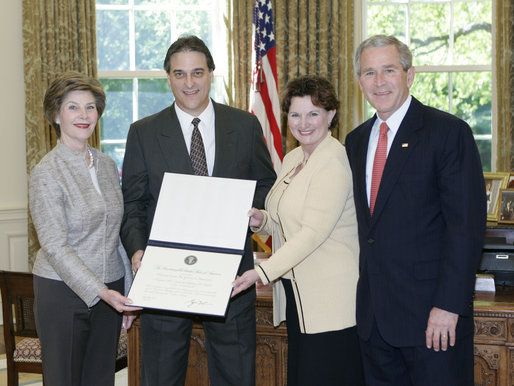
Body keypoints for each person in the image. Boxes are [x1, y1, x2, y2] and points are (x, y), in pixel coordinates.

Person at [120, 35, 276, 385]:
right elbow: (133, 203)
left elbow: (267, 184)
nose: (189, 83)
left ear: (211, 74)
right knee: (160, 375)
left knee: (236, 374)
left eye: (197, 72)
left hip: (230, 274)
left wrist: (253, 212)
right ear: (169, 77)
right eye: (179, 74)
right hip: (164, 273)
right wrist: (137, 250)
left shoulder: (245, 126)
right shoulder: (143, 132)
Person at [345, 35, 486, 385]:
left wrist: (449, 306)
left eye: (389, 70)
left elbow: (465, 228)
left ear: (409, 75)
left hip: (432, 320)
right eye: (369, 73)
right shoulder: (356, 140)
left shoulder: (448, 133)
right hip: (374, 322)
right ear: (359, 81)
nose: (379, 82)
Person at [232, 75, 364, 385]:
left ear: (331, 115)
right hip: (299, 295)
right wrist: (261, 219)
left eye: (313, 113)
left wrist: (261, 273)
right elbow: (287, 215)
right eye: (295, 114)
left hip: (331, 301)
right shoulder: (294, 158)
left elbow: (312, 233)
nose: (303, 123)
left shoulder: (333, 161)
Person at [29, 71, 139, 386]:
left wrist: (127, 293)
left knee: (100, 379)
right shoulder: (46, 172)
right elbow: (54, 245)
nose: (84, 115)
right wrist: (100, 291)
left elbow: (115, 231)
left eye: (90, 107)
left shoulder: (106, 165)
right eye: (73, 107)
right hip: (63, 293)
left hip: (111, 290)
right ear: (55, 115)